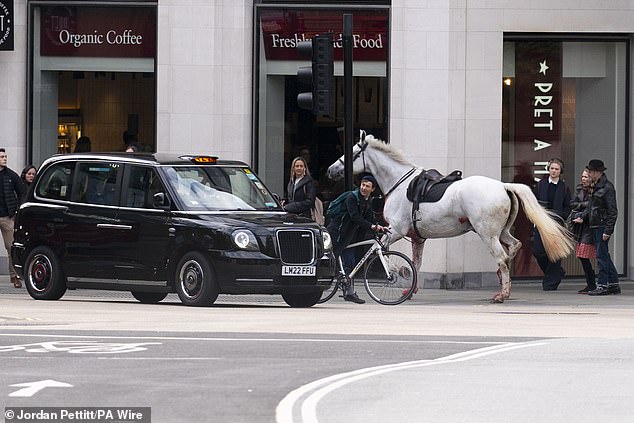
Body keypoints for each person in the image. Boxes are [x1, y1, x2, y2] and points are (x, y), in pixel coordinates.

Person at [326, 174, 386, 304]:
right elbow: (355, 217)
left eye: (367, 186)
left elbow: (370, 218)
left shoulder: (368, 201)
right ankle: (335, 283)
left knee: (351, 263)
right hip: (338, 231)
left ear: (372, 189)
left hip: (349, 234)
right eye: (363, 185)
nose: (364, 188)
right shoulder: (351, 197)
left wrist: (380, 226)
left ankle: (349, 291)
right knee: (334, 258)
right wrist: (372, 226)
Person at [533, 158, 571, 291]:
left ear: (561, 171)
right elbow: (534, 203)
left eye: (556, 169)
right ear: (548, 169)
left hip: (557, 224)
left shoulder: (565, 187)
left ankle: (551, 282)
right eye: (552, 168)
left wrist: (562, 218)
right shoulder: (540, 185)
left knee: (555, 255)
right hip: (542, 223)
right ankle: (556, 272)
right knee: (538, 252)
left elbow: (568, 206)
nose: (554, 171)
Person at [584, 159, 620, 296]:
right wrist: (583, 216)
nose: (589, 173)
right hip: (596, 224)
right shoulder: (596, 186)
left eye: (591, 171)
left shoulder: (607, 188)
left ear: (598, 172)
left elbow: (613, 211)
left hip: (601, 225)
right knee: (604, 255)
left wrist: (608, 230)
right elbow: (591, 207)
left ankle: (603, 285)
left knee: (601, 256)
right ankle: (614, 284)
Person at [0, 148, 27, 288]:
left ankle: (14, 275)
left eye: (5, 156)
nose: (4, 159)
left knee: (11, 247)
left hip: (7, 216)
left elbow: (22, 191)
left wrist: (18, 209)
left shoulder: (11, 175)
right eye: (2, 157)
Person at [569, 169, 596, 294]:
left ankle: (594, 284)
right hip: (579, 227)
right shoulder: (579, 189)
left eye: (586, 176)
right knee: (582, 256)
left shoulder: (594, 191)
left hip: (589, 226)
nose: (584, 179)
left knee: (585, 256)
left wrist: (581, 208)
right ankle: (591, 284)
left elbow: (592, 207)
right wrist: (581, 206)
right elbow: (573, 203)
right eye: (582, 176)